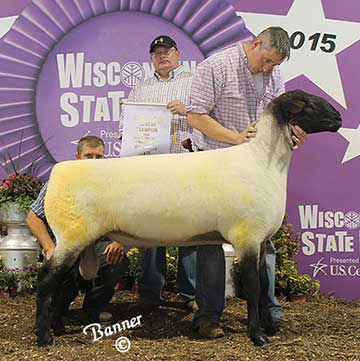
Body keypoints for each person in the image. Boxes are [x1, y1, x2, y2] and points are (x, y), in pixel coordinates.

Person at [187, 27, 308, 338]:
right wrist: (236, 138)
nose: (268, 69)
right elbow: (196, 116)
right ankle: (208, 318)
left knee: (263, 237)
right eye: (266, 61)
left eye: (274, 65)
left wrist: (293, 133)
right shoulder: (214, 66)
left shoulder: (275, 75)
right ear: (256, 44)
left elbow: (280, 118)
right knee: (211, 241)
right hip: (217, 166)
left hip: (258, 170)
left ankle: (268, 310)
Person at [120, 35, 197, 312]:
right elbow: (126, 126)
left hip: (186, 164)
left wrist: (187, 111)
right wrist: (130, 140)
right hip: (151, 169)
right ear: (151, 58)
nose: (162, 56)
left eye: (167, 51)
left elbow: (209, 116)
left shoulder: (194, 82)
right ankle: (151, 293)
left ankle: (191, 294)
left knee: (192, 229)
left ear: (178, 53)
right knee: (151, 229)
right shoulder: (140, 89)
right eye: (156, 53)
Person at [26, 135, 128, 324]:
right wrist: (49, 248)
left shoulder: (110, 187)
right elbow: (33, 217)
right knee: (61, 285)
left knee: (116, 261)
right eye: (89, 156)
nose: (94, 161)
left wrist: (119, 242)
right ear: (77, 157)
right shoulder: (59, 183)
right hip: (66, 247)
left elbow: (124, 218)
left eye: (99, 157)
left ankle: (93, 310)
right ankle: (57, 310)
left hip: (95, 248)